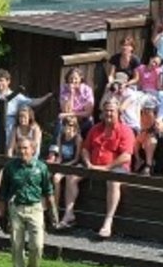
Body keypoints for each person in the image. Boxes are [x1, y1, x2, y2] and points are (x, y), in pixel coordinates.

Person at [0, 138, 56, 267]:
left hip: (35, 208)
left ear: (33, 149)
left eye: (25, 148)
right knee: (16, 245)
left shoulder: (41, 168)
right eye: (19, 148)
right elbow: (2, 192)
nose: (22, 151)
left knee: (37, 245)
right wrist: (1, 213)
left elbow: (48, 191)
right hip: (16, 208)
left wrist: (53, 212)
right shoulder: (10, 167)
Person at [82, 97, 135, 239]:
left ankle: (108, 221)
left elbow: (126, 157)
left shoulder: (126, 130)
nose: (108, 114)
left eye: (111, 111)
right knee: (71, 176)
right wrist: (87, 163)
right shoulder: (95, 129)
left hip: (116, 167)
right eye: (106, 111)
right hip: (93, 165)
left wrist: (107, 167)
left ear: (118, 112)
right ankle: (69, 214)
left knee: (113, 180)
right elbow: (85, 148)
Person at [47, 114, 84, 229]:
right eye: (65, 125)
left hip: (73, 164)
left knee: (58, 177)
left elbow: (77, 158)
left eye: (71, 125)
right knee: (53, 177)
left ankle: (58, 209)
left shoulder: (78, 138)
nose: (68, 128)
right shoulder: (61, 137)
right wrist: (57, 163)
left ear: (75, 127)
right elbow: (60, 157)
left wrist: (65, 166)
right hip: (64, 163)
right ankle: (55, 207)